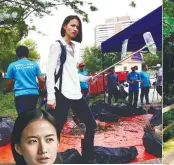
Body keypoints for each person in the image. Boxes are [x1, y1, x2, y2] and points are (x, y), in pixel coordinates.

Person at [46, 15, 97, 160]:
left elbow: (72, 73)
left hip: (76, 93)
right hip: (61, 93)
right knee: (56, 130)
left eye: (77, 27)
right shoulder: (57, 45)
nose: (75, 29)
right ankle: (48, 159)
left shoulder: (73, 47)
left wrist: (87, 78)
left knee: (91, 124)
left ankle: (87, 158)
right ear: (64, 26)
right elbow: (50, 72)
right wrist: (51, 96)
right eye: (72, 25)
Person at [5, 46, 45, 114]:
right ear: (28, 54)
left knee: (22, 117)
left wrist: (9, 89)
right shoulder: (34, 65)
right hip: (33, 94)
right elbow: (41, 80)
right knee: (32, 116)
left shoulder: (12, 65)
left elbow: (9, 83)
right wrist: (40, 89)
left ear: (17, 54)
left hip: (20, 95)